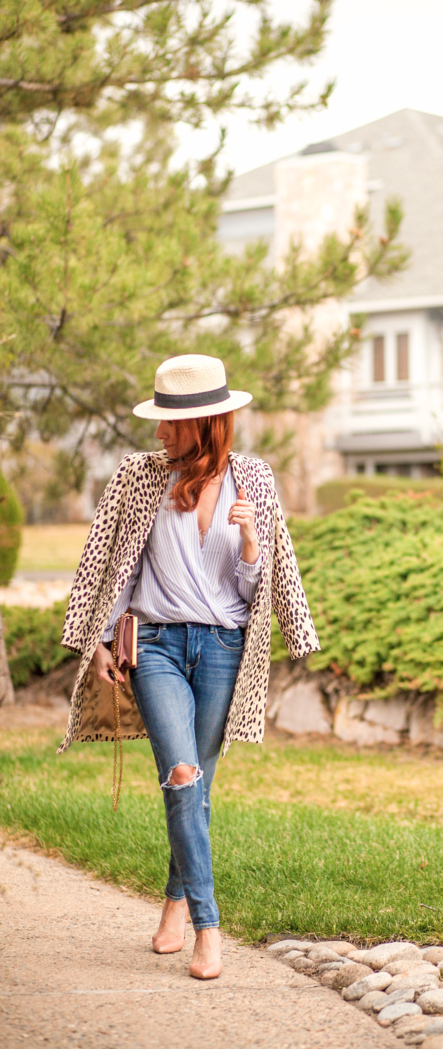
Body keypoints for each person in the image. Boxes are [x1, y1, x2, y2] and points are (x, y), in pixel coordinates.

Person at [59, 354, 320, 980]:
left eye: (170, 424)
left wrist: (253, 544)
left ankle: (174, 900)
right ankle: (209, 926)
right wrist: (96, 636)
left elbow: (257, 583)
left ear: (204, 424)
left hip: (223, 650)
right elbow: (109, 560)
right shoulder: (137, 476)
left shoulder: (253, 479)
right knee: (180, 773)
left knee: (195, 785)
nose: (159, 434)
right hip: (154, 647)